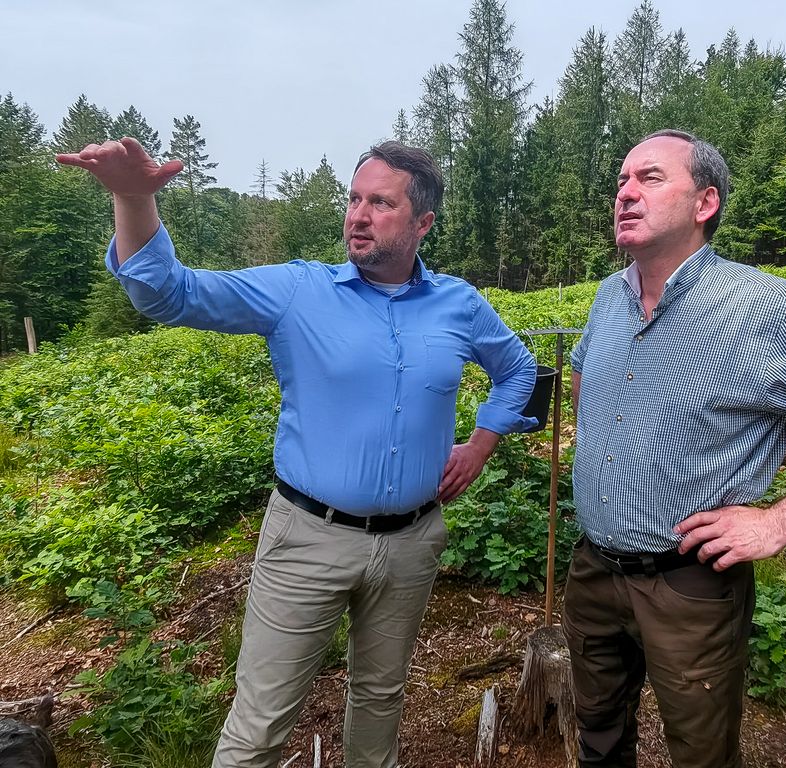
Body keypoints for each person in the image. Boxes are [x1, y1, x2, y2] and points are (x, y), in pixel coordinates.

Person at [56, 138, 538, 768]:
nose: (358, 215)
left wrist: (481, 442)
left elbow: (518, 368)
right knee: (260, 723)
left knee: (380, 700)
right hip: (308, 537)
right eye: (354, 199)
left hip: (413, 541)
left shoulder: (459, 304)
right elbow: (168, 294)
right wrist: (134, 195)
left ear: (422, 223)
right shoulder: (298, 292)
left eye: (381, 204)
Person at [564, 129, 786, 768]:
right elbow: (583, 375)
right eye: (621, 181)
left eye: (649, 179)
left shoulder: (761, 308)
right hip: (594, 570)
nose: (625, 193)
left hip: (688, 585)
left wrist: (782, 520)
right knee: (597, 735)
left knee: (701, 753)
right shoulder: (607, 297)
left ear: (705, 203)